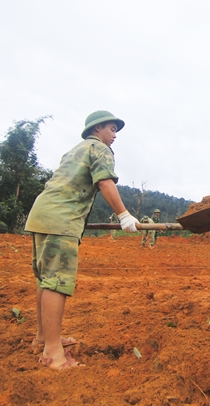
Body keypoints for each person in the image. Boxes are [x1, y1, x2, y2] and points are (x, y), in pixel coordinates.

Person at [25, 110, 139, 370]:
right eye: (112, 129)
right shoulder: (100, 149)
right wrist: (123, 215)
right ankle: (53, 354)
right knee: (57, 282)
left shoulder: (75, 150)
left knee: (45, 279)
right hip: (61, 219)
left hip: (42, 214)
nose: (114, 136)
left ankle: (43, 338)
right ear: (97, 129)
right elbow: (105, 183)